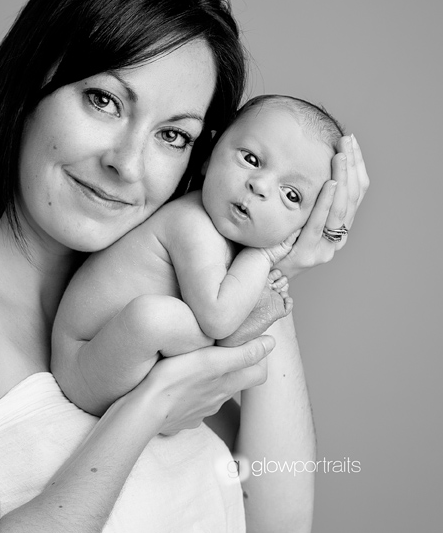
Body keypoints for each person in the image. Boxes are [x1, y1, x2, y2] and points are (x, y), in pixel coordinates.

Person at [0, 0, 368, 533]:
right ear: (29, 87)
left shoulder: (178, 302)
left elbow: (279, 522)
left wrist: (273, 259)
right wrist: (150, 405)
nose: (128, 162)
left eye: (174, 135)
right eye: (104, 100)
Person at [54, 95, 345, 416]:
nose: (260, 185)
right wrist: (263, 258)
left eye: (291, 195)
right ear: (208, 155)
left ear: (303, 228)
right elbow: (218, 318)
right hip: (84, 365)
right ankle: (234, 341)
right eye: (251, 159)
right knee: (155, 317)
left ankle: (235, 340)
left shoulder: (225, 238)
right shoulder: (191, 222)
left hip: (128, 370)